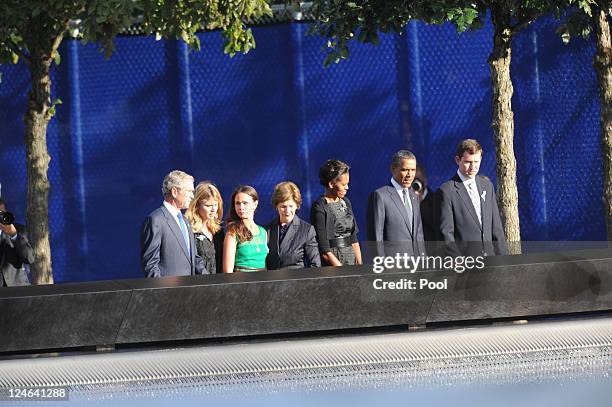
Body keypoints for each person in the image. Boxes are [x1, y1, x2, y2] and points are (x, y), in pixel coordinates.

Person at [438, 139, 508, 257]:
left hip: (490, 262)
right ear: (457, 160)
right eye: (468, 162)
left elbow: (496, 228)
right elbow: (445, 233)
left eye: (476, 161)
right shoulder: (447, 191)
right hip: (466, 264)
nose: (473, 167)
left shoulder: (487, 186)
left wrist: (503, 260)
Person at [141, 170, 208, 277]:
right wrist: (162, 291)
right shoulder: (156, 220)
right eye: (189, 191)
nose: (192, 196)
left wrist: (209, 280)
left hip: (190, 290)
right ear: (174, 192)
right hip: (169, 291)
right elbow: (150, 264)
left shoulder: (185, 221)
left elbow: (194, 258)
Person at [366, 150, 426, 257]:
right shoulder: (380, 196)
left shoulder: (413, 196)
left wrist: (423, 260)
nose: (410, 175)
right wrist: (382, 266)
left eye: (413, 170)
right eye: (405, 170)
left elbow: (418, 234)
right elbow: (376, 237)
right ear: (393, 169)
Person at [311, 159, 362, 266]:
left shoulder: (346, 202)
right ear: (331, 184)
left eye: (347, 184)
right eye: (343, 185)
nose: (347, 187)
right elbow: (324, 249)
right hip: (333, 263)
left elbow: (354, 239)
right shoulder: (319, 207)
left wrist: (359, 265)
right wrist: (341, 271)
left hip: (351, 259)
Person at [266, 181, 321, 270]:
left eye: (291, 206)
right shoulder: (268, 229)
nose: (287, 210)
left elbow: (315, 265)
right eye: (283, 206)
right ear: (277, 206)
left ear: (297, 206)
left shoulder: (307, 230)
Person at [223, 185, 268, 272]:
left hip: (262, 283)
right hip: (242, 283)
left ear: (255, 204)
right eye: (237, 203)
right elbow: (228, 272)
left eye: (245, 203)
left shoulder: (263, 232)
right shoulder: (232, 232)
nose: (241, 207)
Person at [185, 181, 225, 274]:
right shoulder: (188, 229)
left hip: (219, 283)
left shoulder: (219, 231)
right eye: (208, 205)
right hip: (198, 284)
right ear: (196, 205)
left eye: (215, 204)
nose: (213, 209)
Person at [0, 199, 34, 286]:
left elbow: (29, 258)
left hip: (16, 287)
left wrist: (14, 235)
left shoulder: (19, 230)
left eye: (2, 213)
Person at [414, 164, 439, 243]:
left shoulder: (437, 201)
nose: (415, 182)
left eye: (418, 179)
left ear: (425, 180)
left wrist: (420, 202)